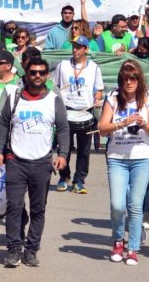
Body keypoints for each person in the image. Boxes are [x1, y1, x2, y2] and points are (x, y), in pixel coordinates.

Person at [0, 57, 70, 268]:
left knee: (38, 210)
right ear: (26, 74)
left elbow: (63, 129)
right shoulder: (14, 97)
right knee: (14, 207)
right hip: (15, 161)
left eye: (42, 73)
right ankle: (13, 250)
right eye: (33, 72)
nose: (37, 76)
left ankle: (31, 250)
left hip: (42, 163)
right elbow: (2, 126)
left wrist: (62, 154)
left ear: (47, 75)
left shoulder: (54, 100)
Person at [98, 61, 149, 266]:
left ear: (139, 79)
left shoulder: (148, 97)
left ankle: (132, 248)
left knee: (134, 204)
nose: (129, 82)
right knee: (117, 204)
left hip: (142, 156)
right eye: (125, 78)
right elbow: (102, 128)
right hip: (117, 157)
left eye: (133, 78)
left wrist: (143, 123)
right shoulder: (113, 97)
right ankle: (117, 241)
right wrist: (122, 122)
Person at [54, 36, 104, 194]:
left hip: (85, 113)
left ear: (86, 49)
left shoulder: (94, 68)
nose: (75, 49)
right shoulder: (62, 65)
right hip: (66, 112)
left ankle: (79, 180)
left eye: (79, 47)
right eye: (74, 46)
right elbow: (55, 87)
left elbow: (99, 90)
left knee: (84, 150)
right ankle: (64, 177)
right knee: (64, 148)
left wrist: (96, 99)